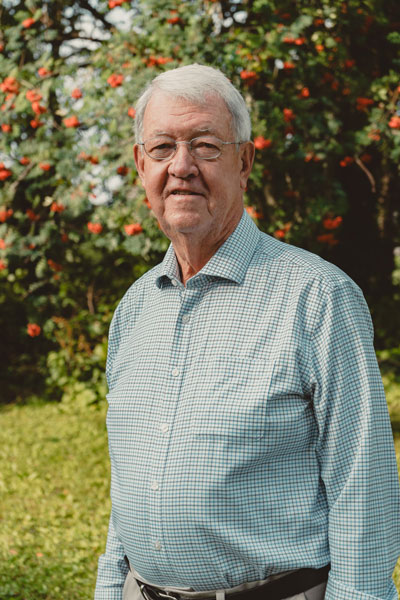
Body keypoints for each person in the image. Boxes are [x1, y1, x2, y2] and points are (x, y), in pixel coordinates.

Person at [95, 64, 400, 600]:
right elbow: (131, 485)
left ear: (244, 162)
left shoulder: (318, 297)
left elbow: (365, 491)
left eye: (205, 146)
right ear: (141, 165)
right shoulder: (134, 308)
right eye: (163, 148)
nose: (182, 166)